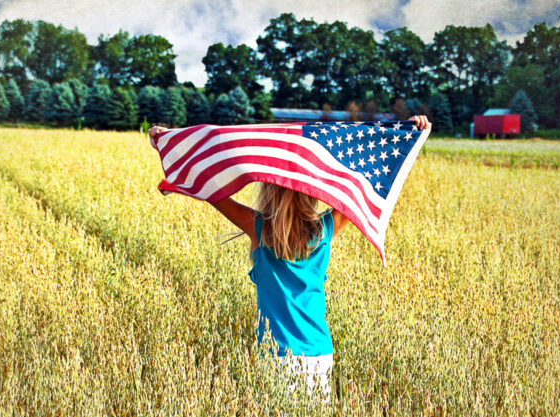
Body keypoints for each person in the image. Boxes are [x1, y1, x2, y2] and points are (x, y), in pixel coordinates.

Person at [148, 115, 430, 403]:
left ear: (268, 189)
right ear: (312, 192)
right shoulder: (323, 231)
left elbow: (212, 194)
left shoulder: (259, 230)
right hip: (319, 352)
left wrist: (170, 144)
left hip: (275, 354)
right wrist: (406, 130)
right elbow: (363, 183)